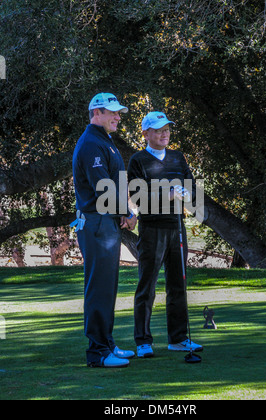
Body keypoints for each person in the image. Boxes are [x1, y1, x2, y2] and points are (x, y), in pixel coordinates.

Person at [127, 111, 203, 358]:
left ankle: (178, 339)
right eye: (158, 130)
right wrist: (169, 195)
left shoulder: (178, 157)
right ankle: (143, 341)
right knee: (147, 285)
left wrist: (187, 195)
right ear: (146, 134)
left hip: (176, 226)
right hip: (152, 229)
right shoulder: (138, 160)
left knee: (178, 284)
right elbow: (138, 200)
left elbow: (192, 190)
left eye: (167, 129)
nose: (164, 134)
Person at [72, 93, 137, 368]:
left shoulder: (104, 140)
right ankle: (97, 352)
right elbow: (103, 188)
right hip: (96, 222)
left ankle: (107, 343)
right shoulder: (91, 143)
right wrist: (126, 212)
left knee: (107, 287)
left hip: (105, 222)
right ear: (96, 113)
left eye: (119, 112)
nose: (118, 117)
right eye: (113, 112)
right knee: (99, 288)